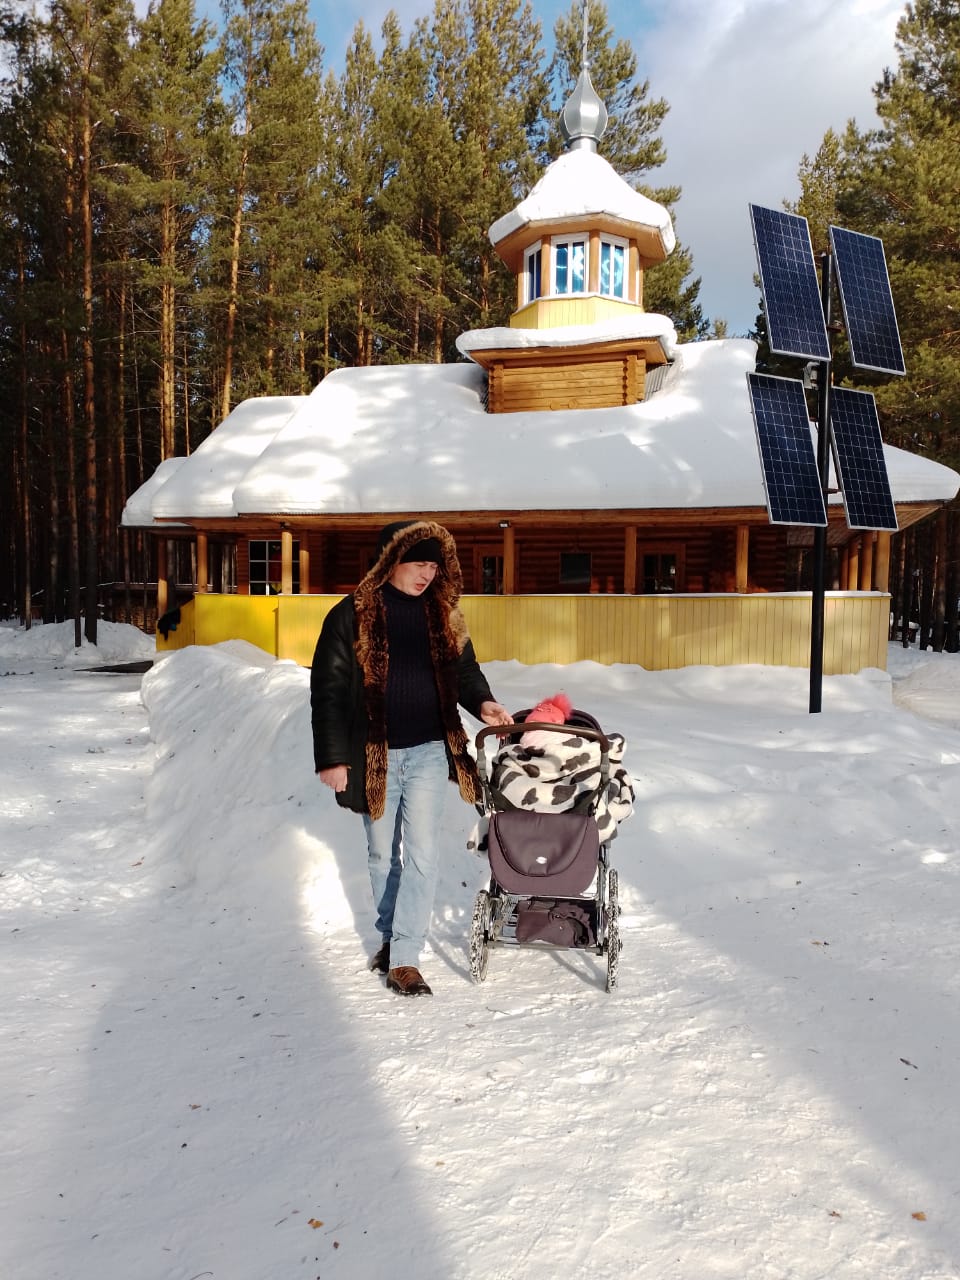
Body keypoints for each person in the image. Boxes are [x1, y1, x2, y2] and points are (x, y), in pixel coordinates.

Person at [310, 520, 513, 997]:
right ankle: (389, 937)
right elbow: (330, 691)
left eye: (434, 565)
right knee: (383, 855)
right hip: (372, 754)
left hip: (426, 750)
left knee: (422, 854)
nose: (428, 574)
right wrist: (333, 758)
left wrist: (482, 703)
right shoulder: (352, 615)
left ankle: (404, 957)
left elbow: (464, 671)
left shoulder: (443, 615)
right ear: (392, 563)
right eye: (419, 563)